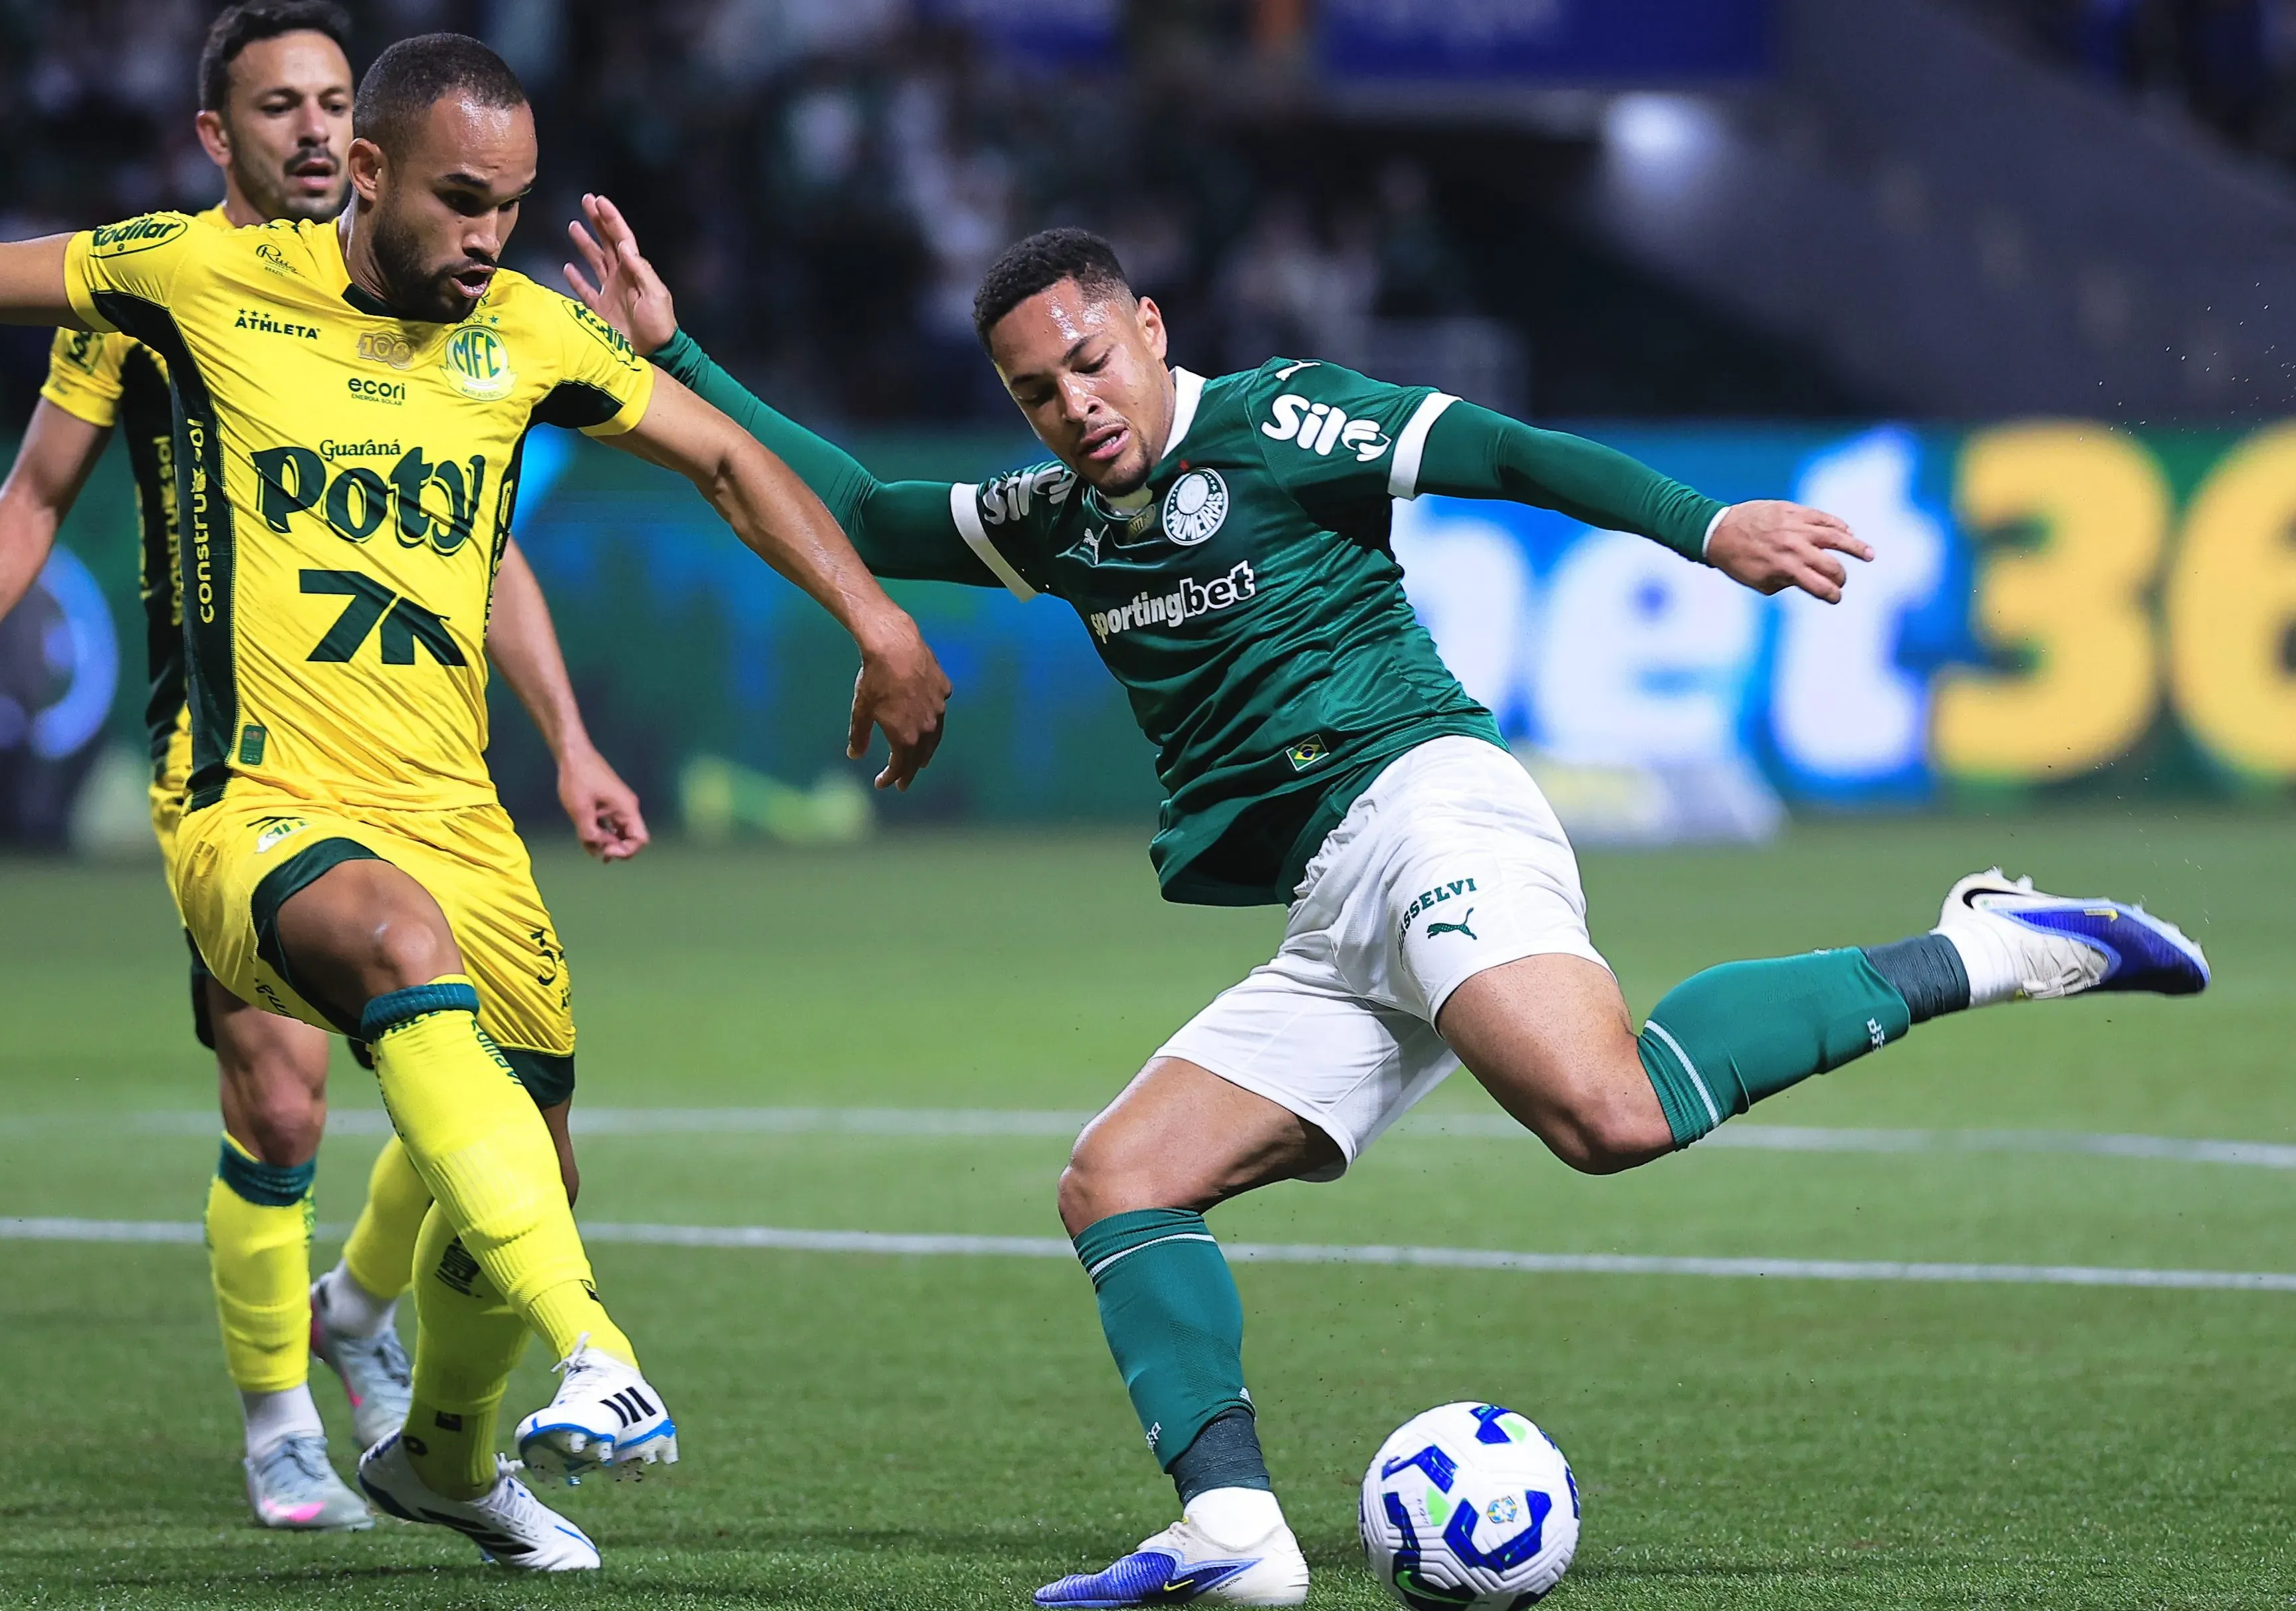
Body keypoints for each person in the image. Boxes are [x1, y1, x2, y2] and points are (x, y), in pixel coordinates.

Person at [560, 203, 2210, 1607]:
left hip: (1422, 803)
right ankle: (1233, 1528)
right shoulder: (1056, 523)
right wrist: (674, 360)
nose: (1069, 406)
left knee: (1604, 1112)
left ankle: (1992, 943)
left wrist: (1705, 527)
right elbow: (851, 512)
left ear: (1147, 327)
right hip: (1325, 909)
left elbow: (1498, 450)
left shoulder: (1284, 418)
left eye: (1088, 360)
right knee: (1116, 1180)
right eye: (1030, 390)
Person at [0, 33, 952, 1572]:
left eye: (512, 204)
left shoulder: (526, 337)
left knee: (529, 1151)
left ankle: (448, 1457)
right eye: (463, 201)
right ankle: (569, 1352)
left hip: (451, 805)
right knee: (353, 1011)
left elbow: (715, 469)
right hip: (250, 794)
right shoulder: (188, 287)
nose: (490, 235)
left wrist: (873, 627)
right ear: (362, 173)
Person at [0, 1, 643, 1536]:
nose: (309, 128)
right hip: (228, 754)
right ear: (215, 135)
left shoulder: (425, 306)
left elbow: (476, 547)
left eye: (329, 100)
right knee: (285, 1102)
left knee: (469, 1062)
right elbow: (35, 485)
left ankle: (359, 1305)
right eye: (277, 105)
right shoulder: (155, 284)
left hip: (418, 757)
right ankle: (280, 1419)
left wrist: (565, 735)